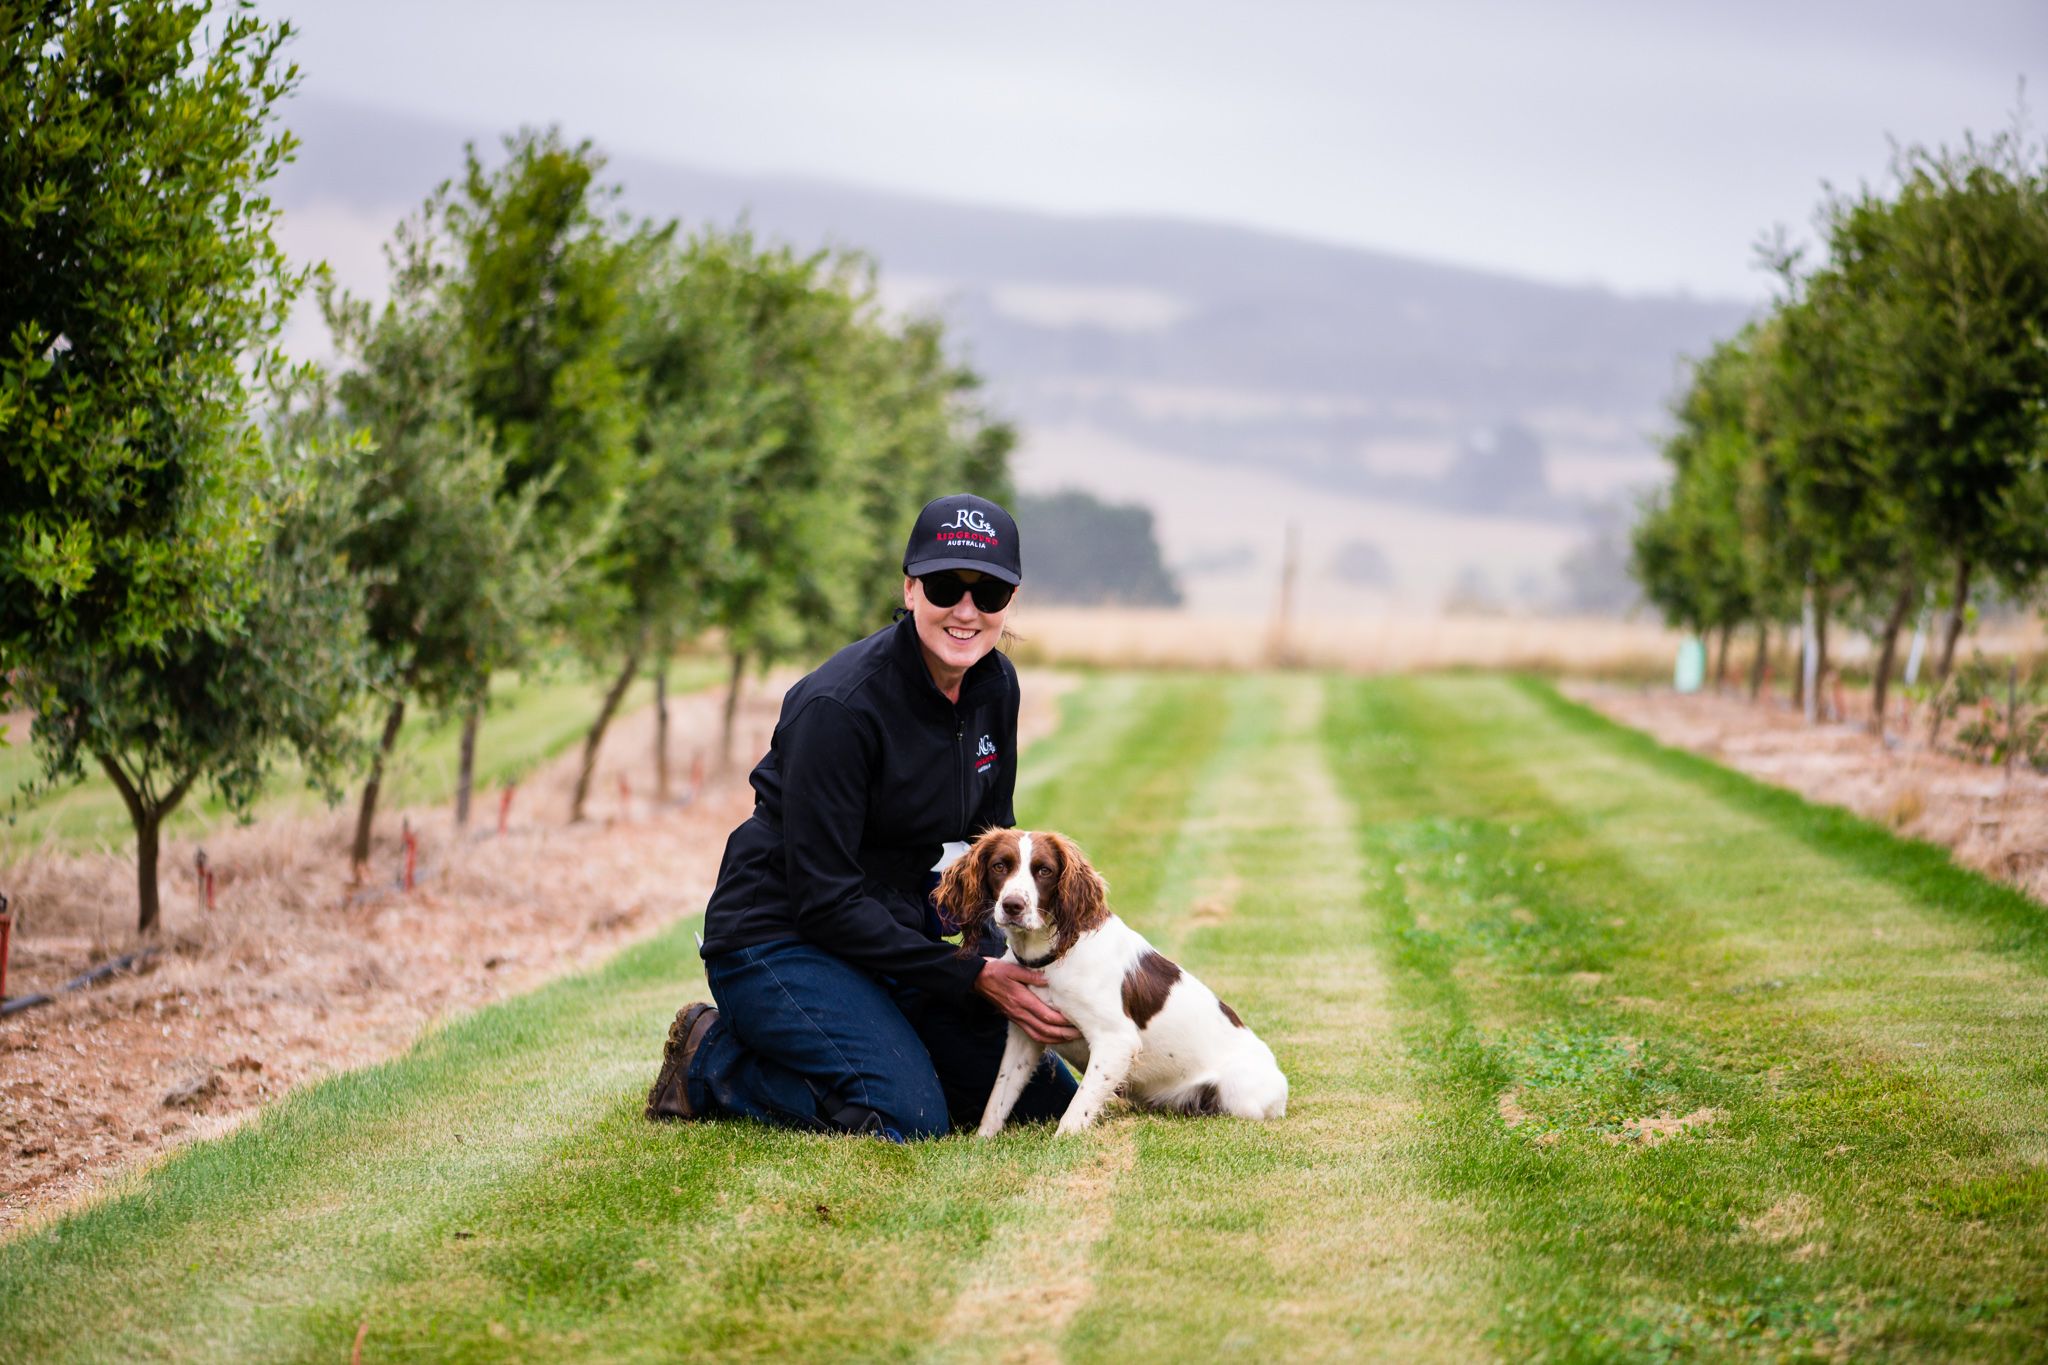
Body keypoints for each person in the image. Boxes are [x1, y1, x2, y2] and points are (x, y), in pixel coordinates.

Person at [644, 494, 1079, 1141]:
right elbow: (823, 898)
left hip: (887, 934)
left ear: (1008, 602)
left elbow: (991, 848)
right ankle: (709, 1056)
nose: (966, 610)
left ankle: (890, 1045)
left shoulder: (997, 687)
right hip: (778, 936)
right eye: (943, 586)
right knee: (906, 1113)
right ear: (910, 589)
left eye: (987, 591)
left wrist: (1008, 961)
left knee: (1039, 1101)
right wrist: (967, 977)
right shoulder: (839, 707)